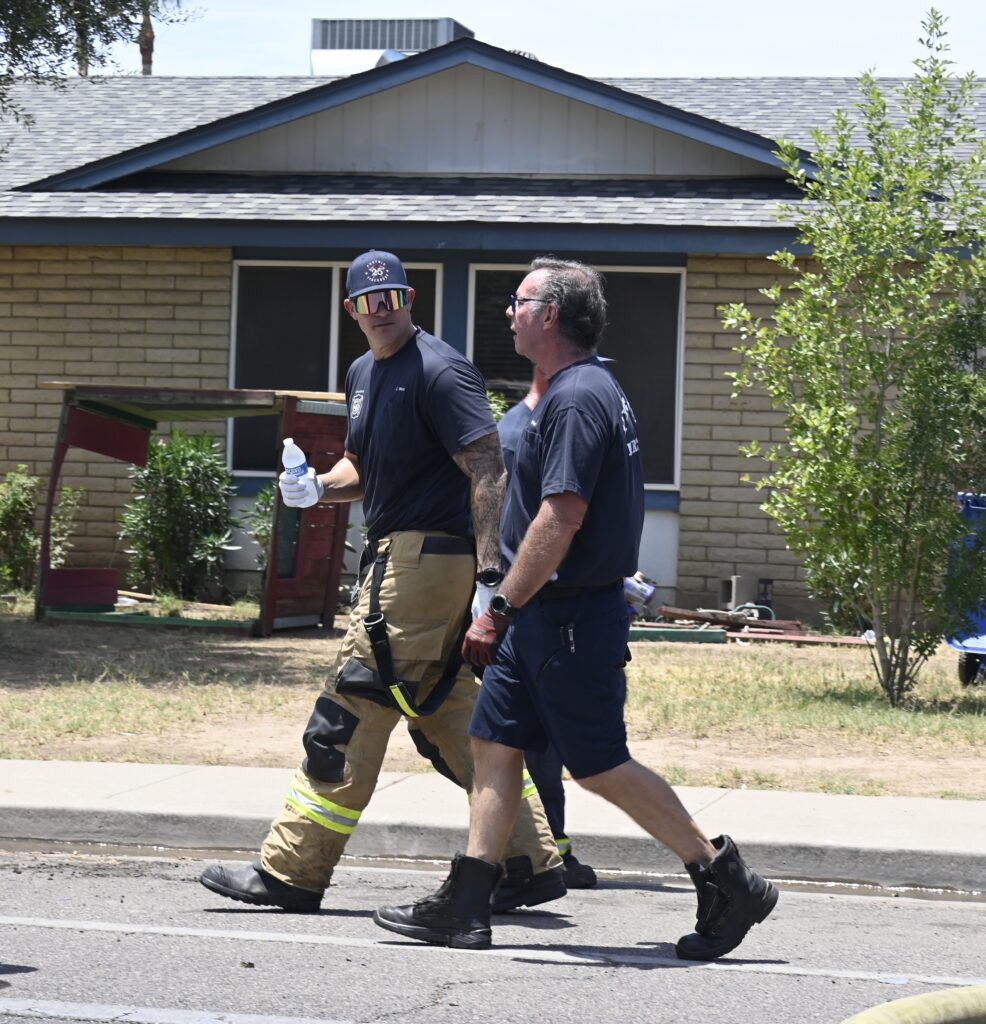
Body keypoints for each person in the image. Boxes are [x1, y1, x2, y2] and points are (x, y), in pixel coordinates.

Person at [374, 256, 778, 958]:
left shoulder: (578, 398)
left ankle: (723, 874)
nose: (508, 313)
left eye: (519, 302)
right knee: (493, 745)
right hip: (539, 617)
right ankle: (467, 905)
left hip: (567, 617)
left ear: (551, 316)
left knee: (597, 764)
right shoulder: (574, 390)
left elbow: (560, 518)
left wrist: (498, 606)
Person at [199, 250, 564, 915]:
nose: (382, 310)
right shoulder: (364, 372)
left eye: (392, 297)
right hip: (403, 561)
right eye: (369, 302)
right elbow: (362, 467)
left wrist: (491, 577)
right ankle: (527, 861)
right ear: (352, 311)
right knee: (453, 712)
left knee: (351, 706)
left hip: (427, 562)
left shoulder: (440, 370)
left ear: (409, 299)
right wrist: (316, 488)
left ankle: (291, 870)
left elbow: (488, 468)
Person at [496, 365, 597, 890]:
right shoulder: (524, 431)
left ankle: (540, 851)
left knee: (539, 740)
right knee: (536, 742)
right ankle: (542, 853)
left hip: (543, 604)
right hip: (532, 605)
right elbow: (530, 523)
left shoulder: (543, 425)